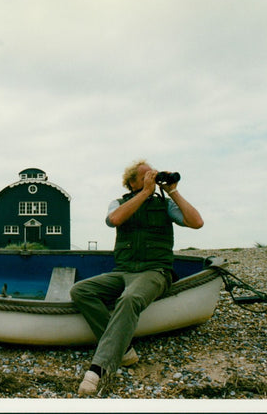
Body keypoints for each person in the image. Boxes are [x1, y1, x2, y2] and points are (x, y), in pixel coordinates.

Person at [70, 159, 204, 396]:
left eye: (153, 175)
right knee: (81, 290)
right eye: (146, 176)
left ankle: (99, 369)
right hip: (124, 271)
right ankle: (123, 351)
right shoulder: (118, 203)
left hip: (155, 271)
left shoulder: (164, 205)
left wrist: (173, 191)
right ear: (131, 182)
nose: (152, 178)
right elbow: (115, 220)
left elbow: (197, 222)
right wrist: (143, 194)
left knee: (130, 298)